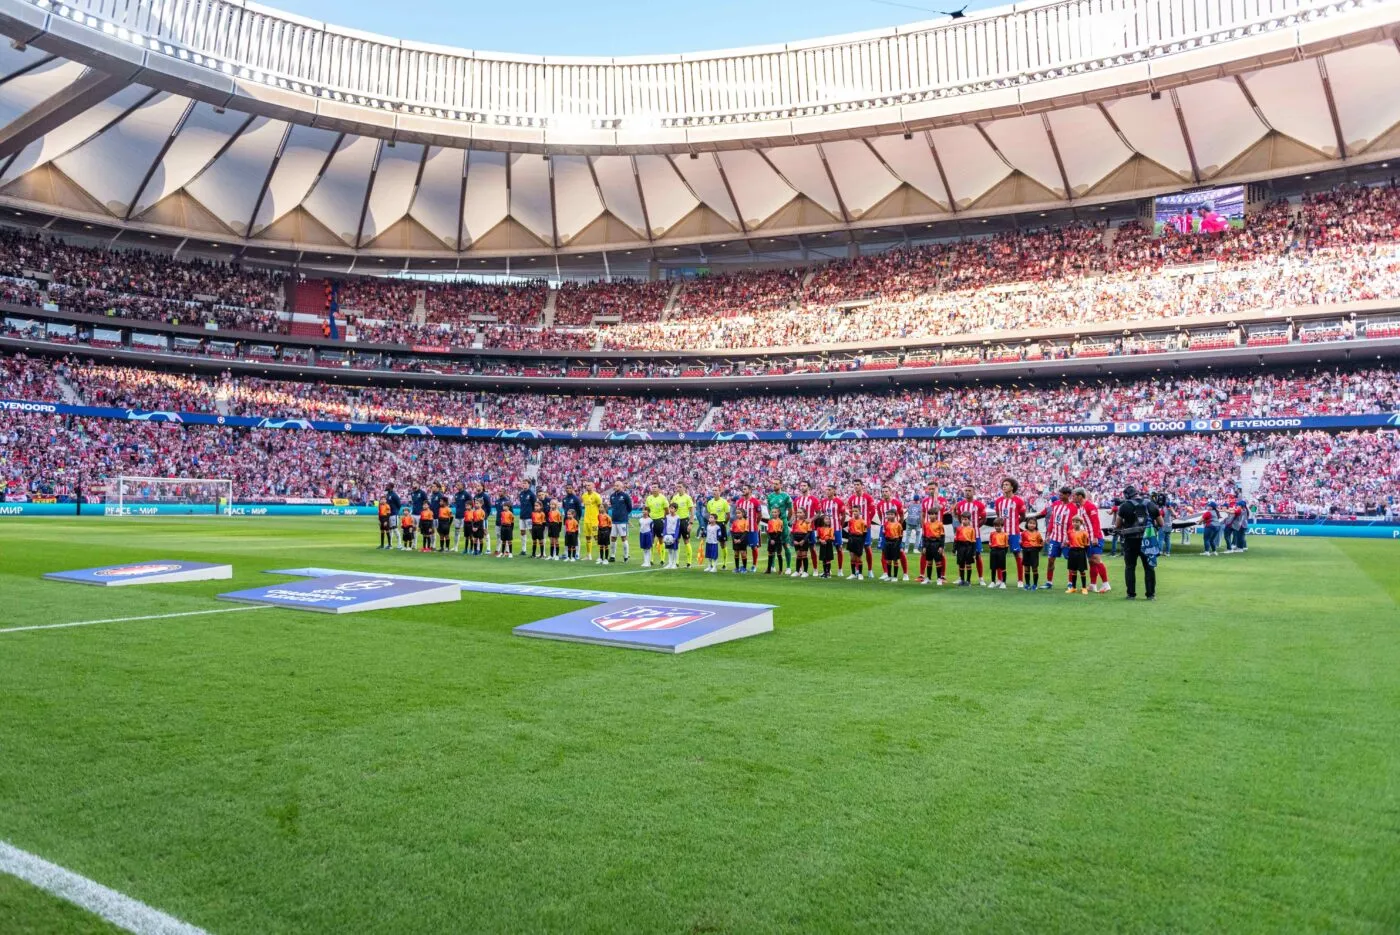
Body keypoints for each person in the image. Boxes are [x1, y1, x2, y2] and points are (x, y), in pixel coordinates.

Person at [1115, 485, 1162, 600]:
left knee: (1130, 567)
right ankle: (1150, 595)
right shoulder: (1151, 504)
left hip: (1130, 541)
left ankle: (1131, 594)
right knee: (1149, 567)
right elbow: (1161, 523)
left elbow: (1117, 525)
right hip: (1147, 541)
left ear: (1127, 495)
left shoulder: (1124, 506)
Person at [1072, 487, 1111, 593]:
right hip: (1087, 539)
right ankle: (1093, 585)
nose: (1073, 497)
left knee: (1096, 559)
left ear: (1080, 496)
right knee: (1091, 561)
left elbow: (1095, 522)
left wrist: (1095, 537)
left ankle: (1106, 584)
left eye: (1074, 496)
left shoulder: (1090, 506)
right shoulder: (1080, 507)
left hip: (1095, 537)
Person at [1040, 486, 1079, 591]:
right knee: (1050, 560)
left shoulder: (1073, 507)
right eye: (1059, 494)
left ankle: (1071, 583)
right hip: (1054, 538)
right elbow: (1052, 520)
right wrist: (1048, 534)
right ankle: (1049, 582)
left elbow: (1072, 525)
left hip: (1067, 539)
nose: (1060, 496)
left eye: (1062, 494)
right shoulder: (1056, 504)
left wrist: (1067, 539)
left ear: (1068, 495)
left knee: (1070, 560)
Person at [992, 477, 1027, 585]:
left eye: (1006, 484)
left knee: (1017, 554)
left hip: (1014, 532)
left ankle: (1020, 580)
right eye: (1003, 485)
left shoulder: (1019, 501)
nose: (1004, 486)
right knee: (999, 555)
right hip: (1001, 533)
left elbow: (1023, 516)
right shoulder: (998, 501)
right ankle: (1000, 579)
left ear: (1012, 487)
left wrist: (1015, 523)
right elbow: (998, 516)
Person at [955, 485, 989, 586]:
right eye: (966, 490)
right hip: (963, 536)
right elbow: (959, 517)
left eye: (969, 490)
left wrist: (976, 527)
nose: (967, 492)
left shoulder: (979, 504)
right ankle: (961, 578)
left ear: (974, 492)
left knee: (977, 555)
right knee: (961, 556)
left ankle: (981, 578)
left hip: (975, 535)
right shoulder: (960, 504)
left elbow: (984, 518)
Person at [846, 481, 876, 575]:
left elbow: (873, 511)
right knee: (855, 549)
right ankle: (857, 570)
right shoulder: (851, 498)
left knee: (867, 547)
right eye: (854, 485)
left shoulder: (868, 497)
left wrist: (867, 522)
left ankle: (870, 570)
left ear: (862, 486)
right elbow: (850, 512)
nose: (856, 486)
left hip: (865, 527)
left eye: (858, 485)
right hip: (854, 528)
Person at [766, 480, 794, 574]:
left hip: (783, 523)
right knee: (772, 544)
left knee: (785, 544)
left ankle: (788, 567)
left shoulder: (786, 496)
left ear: (781, 485)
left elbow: (790, 510)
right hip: (772, 524)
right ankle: (772, 566)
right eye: (773, 484)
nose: (774, 485)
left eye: (776, 484)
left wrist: (785, 520)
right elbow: (769, 509)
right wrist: (772, 518)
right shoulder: (770, 496)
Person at [820, 485, 848, 576]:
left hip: (836, 528)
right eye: (827, 490)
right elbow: (823, 515)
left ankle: (840, 570)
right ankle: (827, 570)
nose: (827, 491)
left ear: (834, 491)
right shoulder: (823, 501)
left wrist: (840, 525)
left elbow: (843, 515)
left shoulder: (839, 502)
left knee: (839, 548)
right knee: (826, 549)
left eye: (829, 489)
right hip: (826, 530)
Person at [704, 489, 731, 568]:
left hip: (720, 523)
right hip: (712, 524)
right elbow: (709, 513)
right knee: (710, 542)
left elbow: (728, 515)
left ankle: (725, 563)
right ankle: (711, 564)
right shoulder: (710, 502)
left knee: (723, 543)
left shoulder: (724, 502)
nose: (714, 492)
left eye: (716, 490)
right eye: (713, 490)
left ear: (719, 492)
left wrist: (724, 523)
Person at [919, 509, 946, 585]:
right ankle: (928, 578)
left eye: (933, 514)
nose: (931, 516)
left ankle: (939, 578)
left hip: (936, 543)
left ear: (936, 515)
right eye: (930, 514)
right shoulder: (926, 524)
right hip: (928, 544)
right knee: (929, 562)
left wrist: (941, 547)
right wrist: (924, 547)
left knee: (938, 562)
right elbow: (924, 536)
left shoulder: (940, 524)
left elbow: (942, 536)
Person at [608, 480, 633, 563]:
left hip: (622, 521)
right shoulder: (612, 496)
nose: (615, 487)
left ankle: (626, 556)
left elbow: (630, 508)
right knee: (613, 538)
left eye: (617, 485)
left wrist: (624, 514)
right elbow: (612, 506)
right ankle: (612, 556)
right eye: (615, 485)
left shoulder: (625, 496)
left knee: (623, 538)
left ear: (621, 487)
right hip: (614, 520)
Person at [880, 509, 908, 582]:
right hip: (888, 543)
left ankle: (895, 577)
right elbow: (884, 534)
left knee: (895, 560)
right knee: (888, 560)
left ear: (895, 515)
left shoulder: (898, 525)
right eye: (888, 514)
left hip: (896, 542)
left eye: (892, 514)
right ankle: (889, 576)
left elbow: (900, 536)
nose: (890, 516)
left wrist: (898, 545)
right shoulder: (885, 524)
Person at [1066, 516, 1091, 593]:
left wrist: (1086, 553)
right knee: (1073, 570)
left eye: (1077, 522)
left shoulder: (1084, 533)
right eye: (1073, 522)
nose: (1075, 523)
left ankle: (1084, 588)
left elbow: (1086, 544)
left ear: (1081, 523)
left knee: (1082, 570)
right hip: (1072, 551)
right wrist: (1066, 543)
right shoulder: (1069, 532)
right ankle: (1073, 587)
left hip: (1081, 551)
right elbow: (1069, 541)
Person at [645, 483, 668, 564]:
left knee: (661, 539)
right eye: (652, 487)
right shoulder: (649, 498)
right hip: (651, 521)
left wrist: (664, 519)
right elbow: (647, 509)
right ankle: (651, 559)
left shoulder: (663, 498)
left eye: (655, 487)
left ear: (659, 489)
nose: (653, 488)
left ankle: (662, 559)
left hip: (659, 521)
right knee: (651, 539)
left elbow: (667, 510)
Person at [953, 514, 978, 586]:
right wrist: (954, 549)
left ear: (969, 520)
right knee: (961, 564)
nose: (963, 521)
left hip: (968, 548)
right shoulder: (958, 529)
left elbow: (973, 542)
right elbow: (956, 540)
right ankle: (962, 580)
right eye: (962, 519)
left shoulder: (972, 529)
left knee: (968, 564)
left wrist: (974, 553)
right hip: (960, 548)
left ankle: (968, 581)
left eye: (965, 519)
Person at [581, 481, 603, 561]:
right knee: (588, 538)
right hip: (586, 520)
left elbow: (601, 507)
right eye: (586, 485)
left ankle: (600, 556)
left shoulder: (597, 496)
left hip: (594, 520)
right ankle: (588, 555)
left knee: (597, 538)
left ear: (593, 486)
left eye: (589, 485)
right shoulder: (584, 496)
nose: (587, 486)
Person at [1021, 518, 1044, 590]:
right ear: (1027, 524)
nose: (1031, 525)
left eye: (1034, 523)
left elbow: (1041, 543)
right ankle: (1027, 584)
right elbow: (1021, 542)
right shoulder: (1024, 533)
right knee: (1026, 568)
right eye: (1030, 523)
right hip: (1026, 551)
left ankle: (1035, 585)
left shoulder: (1037, 533)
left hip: (1034, 552)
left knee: (1034, 568)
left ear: (1036, 525)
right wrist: (1024, 547)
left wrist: (1036, 549)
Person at [987, 518, 1010, 589]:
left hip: (1002, 551)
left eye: (999, 526)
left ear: (1002, 526)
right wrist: (992, 549)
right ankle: (993, 582)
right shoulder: (992, 534)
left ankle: (1003, 582)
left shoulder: (1005, 534)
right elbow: (990, 543)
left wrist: (1004, 553)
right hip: (993, 551)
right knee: (993, 567)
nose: (997, 527)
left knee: (1003, 567)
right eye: (996, 526)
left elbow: (1006, 546)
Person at [847, 513, 869, 580]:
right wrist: (850, 538)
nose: (855, 513)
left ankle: (860, 574)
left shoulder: (863, 522)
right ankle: (853, 574)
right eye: (853, 511)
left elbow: (865, 533)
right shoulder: (850, 521)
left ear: (859, 512)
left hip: (859, 539)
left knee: (858, 558)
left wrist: (862, 541)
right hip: (852, 539)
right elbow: (849, 530)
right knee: (852, 557)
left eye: (856, 511)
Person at [517, 483, 537, 556]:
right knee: (522, 532)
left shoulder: (532, 494)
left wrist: (533, 514)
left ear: (529, 485)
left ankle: (534, 551)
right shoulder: (521, 494)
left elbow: (535, 505)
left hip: (529, 517)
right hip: (522, 516)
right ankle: (523, 550)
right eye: (523, 483)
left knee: (532, 533)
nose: (524, 485)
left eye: (525, 483)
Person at [791, 511, 812, 578]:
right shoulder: (794, 522)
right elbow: (792, 532)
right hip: (796, 539)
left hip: (803, 538)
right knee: (798, 555)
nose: (799, 514)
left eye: (800, 512)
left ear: (804, 514)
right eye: (798, 512)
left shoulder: (807, 521)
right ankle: (797, 571)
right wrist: (794, 540)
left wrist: (803, 540)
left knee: (804, 555)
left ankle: (805, 572)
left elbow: (808, 533)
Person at [815, 512, 836, 579]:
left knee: (828, 559)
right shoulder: (819, 529)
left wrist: (826, 541)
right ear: (822, 520)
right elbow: (818, 537)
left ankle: (828, 573)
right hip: (822, 545)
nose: (828, 520)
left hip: (828, 545)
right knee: (824, 559)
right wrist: (821, 540)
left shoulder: (831, 529)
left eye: (828, 519)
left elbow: (832, 538)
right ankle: (825, 572)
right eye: (826, 519)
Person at [662, 505, 682, 569]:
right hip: (668, 535)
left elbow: (677, 528)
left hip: (673, 535)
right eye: (670, 508)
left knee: (675, 550)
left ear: (676, 509)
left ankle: (674, 564)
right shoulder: (667, 517)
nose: (670, 509)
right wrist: (664, 535)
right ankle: (670, 563)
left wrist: (675, 537)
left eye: (672, 508)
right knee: (669, 550)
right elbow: (665, 526)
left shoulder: (677, 518)